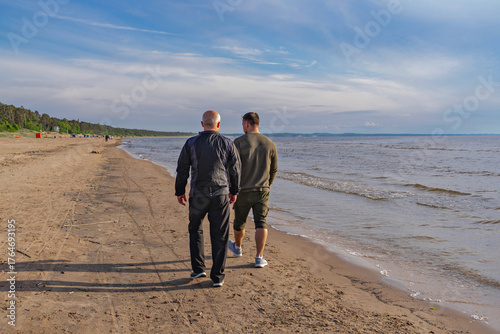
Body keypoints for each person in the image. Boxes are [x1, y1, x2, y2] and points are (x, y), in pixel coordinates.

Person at [175, 110, 240, 287]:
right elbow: (235, 171)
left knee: (195, 230)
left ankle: (198, 269)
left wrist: (179, 191)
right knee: (220, 234)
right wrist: (234, 191)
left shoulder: (191, 143)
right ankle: (217, 276)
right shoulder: (227, 143)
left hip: (198, 195)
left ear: (202, 124)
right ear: (218, 125)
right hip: (219, 195)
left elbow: (182, 170)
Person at [228, 112, 278, 268]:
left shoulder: (238, 142)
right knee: (261, 223)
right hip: (262, 190)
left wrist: (232, 188)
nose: (243, 126)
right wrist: (268, 183)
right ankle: (259, 257)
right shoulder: (270, 143)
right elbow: (274, 169)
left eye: (243, 123)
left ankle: (237, 248)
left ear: (247, 124)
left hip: (243, 190)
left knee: (239, 222)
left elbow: (232, 168)